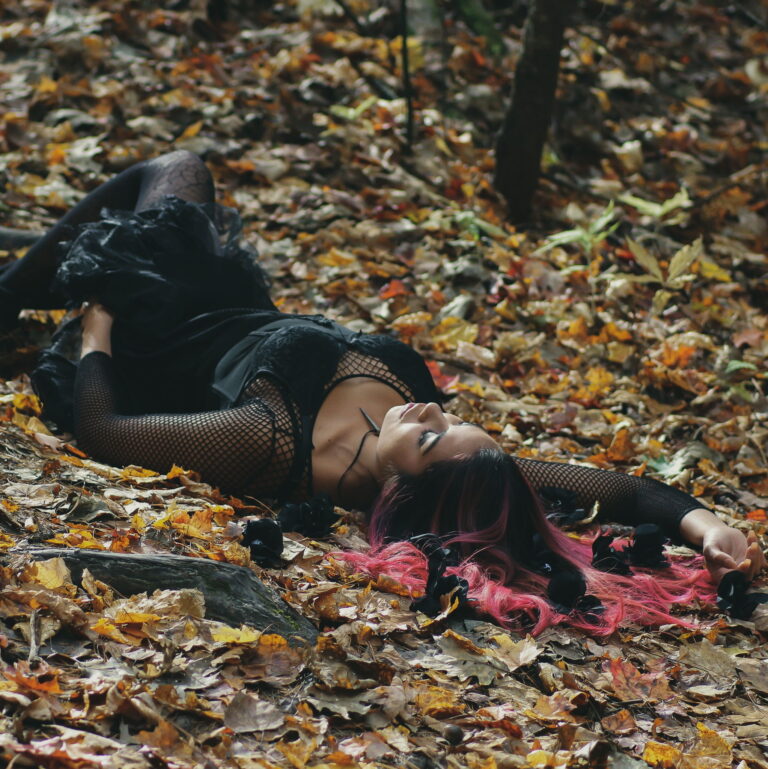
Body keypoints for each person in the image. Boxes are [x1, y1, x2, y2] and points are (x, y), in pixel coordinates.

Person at [1, 151, 763, 633]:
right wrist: (705, 523)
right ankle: (16, 283)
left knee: (160, 186)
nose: (431, 409)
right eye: (450, 419)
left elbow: (106, 429)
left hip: (151, 328)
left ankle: (16, 291)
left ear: (400, 490)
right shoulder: (465, 470)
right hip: (233, 297)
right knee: (181, 170)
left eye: (429, 436)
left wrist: (98, 317)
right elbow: (619, 490)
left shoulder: (271, 441)